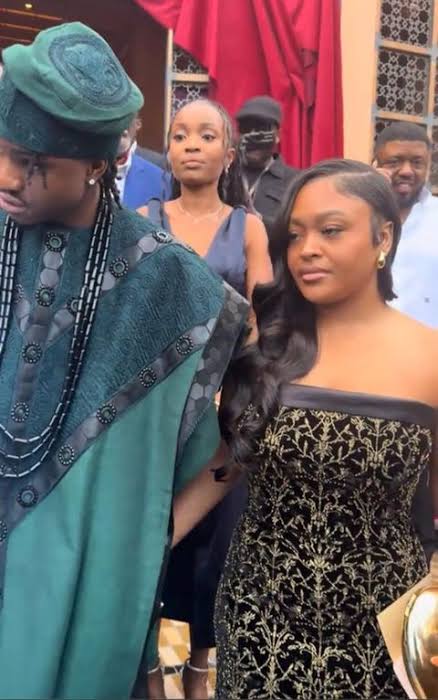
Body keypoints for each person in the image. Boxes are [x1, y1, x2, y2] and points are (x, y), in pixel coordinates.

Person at [0, 22, 247, 699]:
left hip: (84, 600)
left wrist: (149, 539)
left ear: (96, 165)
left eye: (34, 162)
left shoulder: (175, 287)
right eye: (3, 151)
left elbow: (239, 441)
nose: (9, 177)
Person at [171, 160, 438, 698]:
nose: (307, 250)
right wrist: (141, 550)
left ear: (383, 237)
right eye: (295, 235)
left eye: (330, 230)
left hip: (384, 631)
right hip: (260, 621)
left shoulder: (429, 357)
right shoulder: (267, 349)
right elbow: (225, 467)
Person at [138, 98, 272, 699]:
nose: (191, 144)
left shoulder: (249, 228)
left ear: (228, 153)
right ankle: (148, 663)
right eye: (180, 135)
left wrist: (233, 394)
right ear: (168, 150)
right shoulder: (142, 218)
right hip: (153, 410)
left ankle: (199, 664)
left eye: (206, 135)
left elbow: (260, 322)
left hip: (221, 412)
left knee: (212, 548)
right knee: (150, 535)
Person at [374, 122, 438, 328]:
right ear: (375, 164)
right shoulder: (356, 214)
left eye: (417, 163)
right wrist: (368, 192)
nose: (407, 171)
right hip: (365, 340)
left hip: (428, 341)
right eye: (394, 162)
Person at [236, 95, 298, 242]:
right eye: (246, 128)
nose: (253, 136)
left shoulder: (295, 182)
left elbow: (297, 233)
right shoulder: (222, 178)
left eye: (262, 128)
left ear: (278, 135)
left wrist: (259, 220)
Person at [116, 114, 168, 208]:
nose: (120, 125)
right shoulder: (90, 165)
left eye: (125, 118)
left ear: (138, 124)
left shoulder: (158, 164)